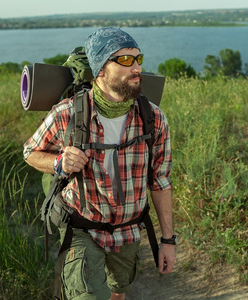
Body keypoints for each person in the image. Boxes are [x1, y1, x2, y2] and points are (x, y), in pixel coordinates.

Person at [23, 27, 176, 300]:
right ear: (100, 70)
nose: (137, 67)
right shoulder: (67, 114)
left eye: (138, 59)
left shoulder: (153, 117)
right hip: (82, 229)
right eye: (125, 60)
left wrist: (167, 241)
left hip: (130, 230)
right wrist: (59, 162)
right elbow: (30, 152)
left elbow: (161, 181)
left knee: (118, 293)